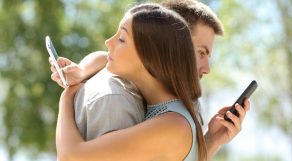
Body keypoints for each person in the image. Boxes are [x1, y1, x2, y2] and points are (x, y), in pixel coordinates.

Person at [51, 0, 250, 160]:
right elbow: (103, 57)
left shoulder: (173, 124)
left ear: (151, 53)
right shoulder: (168, 110)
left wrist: (67, 96)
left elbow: (71, 156)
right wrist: (211, 140)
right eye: (201, 53)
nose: (108, 42)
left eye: (121, 38)